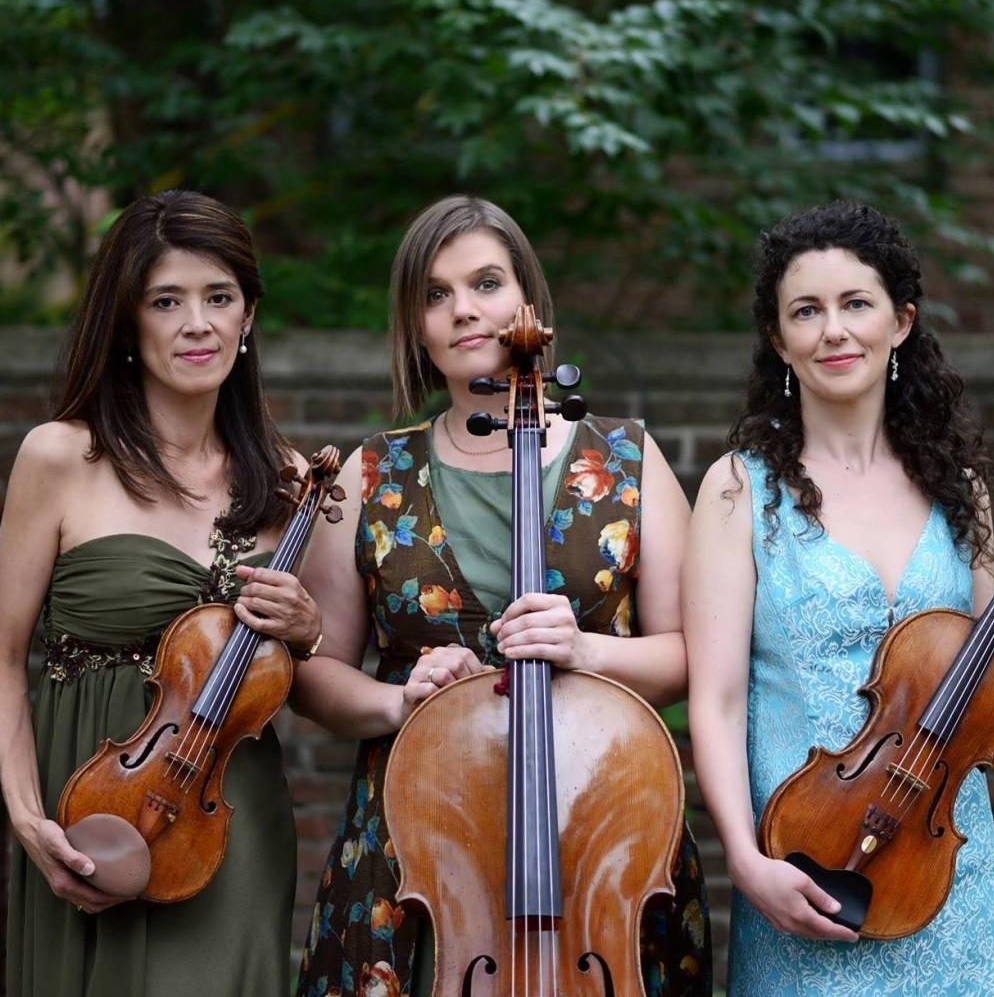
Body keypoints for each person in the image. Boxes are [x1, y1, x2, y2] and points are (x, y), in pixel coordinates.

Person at [292, 195, 712, 997]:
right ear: (416, 325)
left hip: (595, 841)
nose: (464, 311)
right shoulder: (373, 472)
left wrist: (585, 651)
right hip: (420, 850)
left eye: (485, 283)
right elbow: (312, 673)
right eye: (436, 294)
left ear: (529, 303)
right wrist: (396, 700)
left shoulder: (627, 458)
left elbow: (694, 655)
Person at [684, 200, 994, 995]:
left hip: (950, 885)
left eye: (856, 304)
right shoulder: (737, 492)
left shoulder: (957, 490)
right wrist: (748, 866)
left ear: (901, 322)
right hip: (807, 876)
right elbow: (716, 700)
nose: (834, 330)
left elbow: (983, 697)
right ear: (778, 339)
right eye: (807, 311)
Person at [0, 190, 324, 997]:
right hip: (84, 805)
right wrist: (27, 815)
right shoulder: (60, 457)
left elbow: (305, 687)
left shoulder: (294, 481)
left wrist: (306, 634)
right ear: (127, 322)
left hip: (224, 822)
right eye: (166, 300)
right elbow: (0, 662)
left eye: (218, 297)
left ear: (249, 319)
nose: (196, 323)